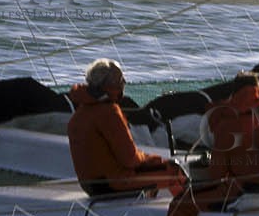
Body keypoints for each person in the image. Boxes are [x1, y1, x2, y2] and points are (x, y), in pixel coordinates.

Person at [144, 74, 259, 216]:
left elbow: (217, 174)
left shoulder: (228, 123)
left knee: (183, 202)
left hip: (242, 191)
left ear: (234, 93)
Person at [67, 59, 187, 197]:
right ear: (110, 84)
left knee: (153, 170)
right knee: (173, 170)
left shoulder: (79, 114)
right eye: (121, 79)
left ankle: (148, 203)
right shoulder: (109, 112)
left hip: (91, 185)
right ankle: (189, 211)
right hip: (113, 183)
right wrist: (153, 159)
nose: (124, 82)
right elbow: (130, 159)